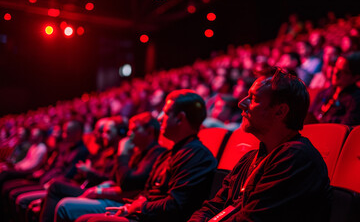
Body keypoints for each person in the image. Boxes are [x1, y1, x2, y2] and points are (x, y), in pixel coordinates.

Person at [188, 69, 331, 222]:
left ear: (280, 111)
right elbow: (213, 207)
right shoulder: (250, 159)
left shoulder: (296, 158)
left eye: (253, 98)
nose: (241, 103)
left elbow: (251, 219)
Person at [75, 89, 217, 222]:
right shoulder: (169, 153)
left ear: (180, 118)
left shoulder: (197, 156)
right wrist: (129, 207)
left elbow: (176, 205)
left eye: (166, 113)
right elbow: (147, 192)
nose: (159, 118)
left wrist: (138, 207)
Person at [44, 113, 166, 222]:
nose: (130, 135)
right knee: (57, 192)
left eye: (134, 130)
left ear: (150, 132)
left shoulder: (153, 153)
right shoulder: (137, 153)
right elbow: (117, 181)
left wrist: (122, 154)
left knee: (64, 205)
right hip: (114, 195)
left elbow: (127, 183)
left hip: (124, 201)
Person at [308, 51, 360, 126]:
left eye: (343, 71)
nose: (335, 73)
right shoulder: (324, 93)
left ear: (356, 77)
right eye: (336, 67)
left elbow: (345, 128)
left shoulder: (356, 99)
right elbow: (309, 116)